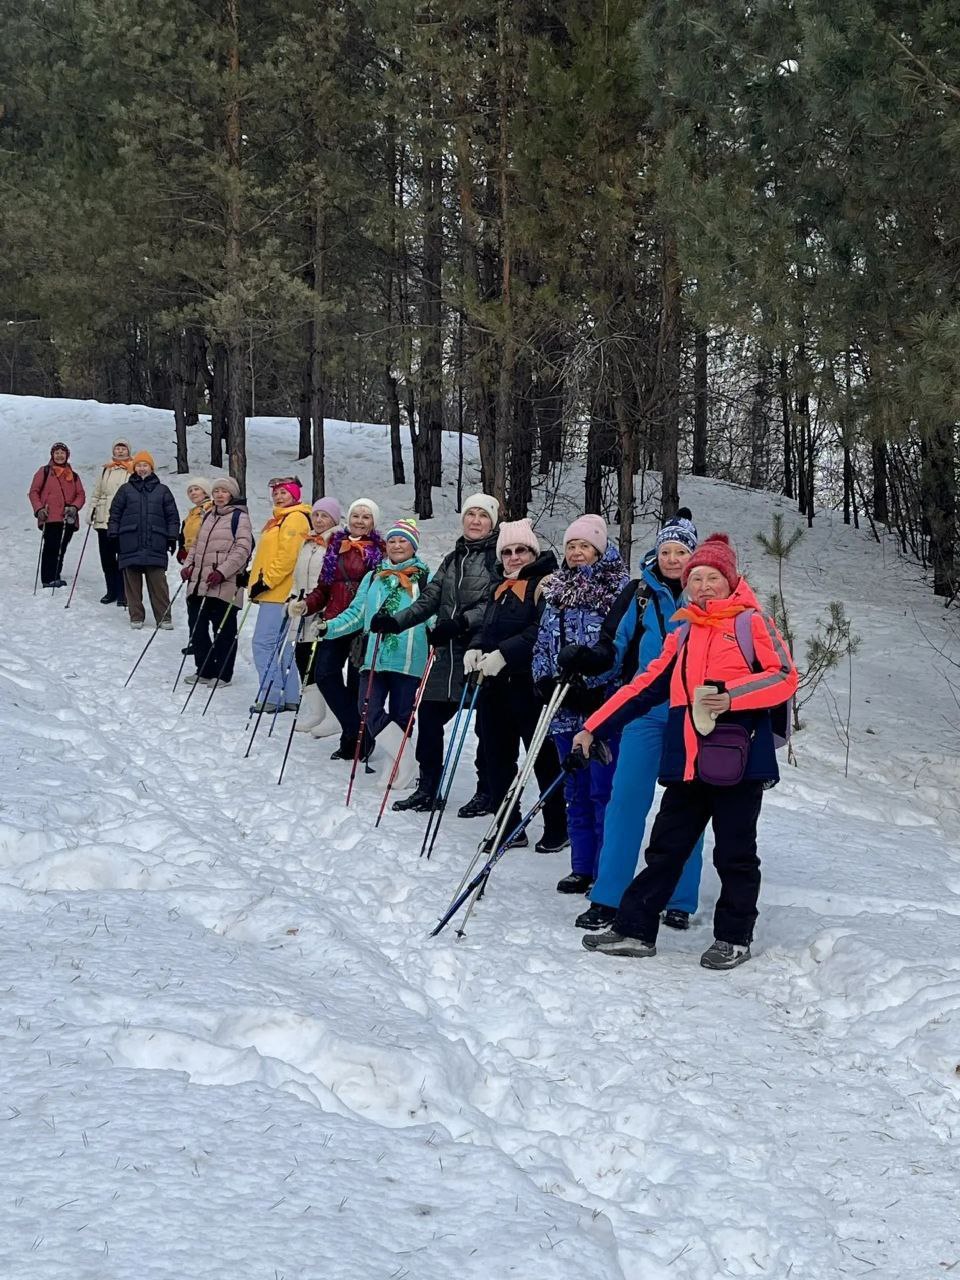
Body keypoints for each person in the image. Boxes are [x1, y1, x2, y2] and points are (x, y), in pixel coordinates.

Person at [577, 533, 798, 970]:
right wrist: (593, 727)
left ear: (730, 580)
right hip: (688, 761)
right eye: (696, 577)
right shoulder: (683, 633)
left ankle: (734, 937)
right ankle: (636, 929)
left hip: (739, 760)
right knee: (666, 846)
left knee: (734, 852)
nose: (702, 585)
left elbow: (784, 676)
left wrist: (731, 696)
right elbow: (643, 687)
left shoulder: (752, 622)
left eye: (712, 577)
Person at [566, 510, 705, 931]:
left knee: (687, 808)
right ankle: (608, 896)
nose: (673, 558)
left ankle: (679, 898)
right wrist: (590, 661)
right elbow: (613, 644)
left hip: (693, 716)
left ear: (693, 555)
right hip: (643, 712)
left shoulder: (706, 594)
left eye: (681, 551)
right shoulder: (638, 594)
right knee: (625, 802)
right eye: (666, 550)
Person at [371, 493, 500, 814]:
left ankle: (487, 791)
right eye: (470, 514)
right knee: (428, 720)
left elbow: (493, 603)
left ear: (492, 522)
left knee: (486, 727)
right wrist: (394, 622)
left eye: (482, 516)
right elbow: (429, 598)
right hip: (446, 656)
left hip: (478, 654)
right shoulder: (453, 558)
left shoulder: (497, 557)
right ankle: (429, 788)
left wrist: (461, 623)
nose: (475, 521)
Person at [532, 515, 629, 893]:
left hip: (599, 706)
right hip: (561, 704)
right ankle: (582, 866)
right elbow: (542, 643)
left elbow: (619, 650)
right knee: (573, 788)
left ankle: (606, 870)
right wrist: (542, 679)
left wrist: (592, 685)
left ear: (599, 550)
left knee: (600, 789)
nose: (576, 552)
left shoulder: (617, 590)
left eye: (584, 546)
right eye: (571, 546)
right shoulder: (555, 590)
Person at [464, 518, 568, 852]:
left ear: (532, 552)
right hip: (495, 686)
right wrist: (476, 646)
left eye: (520, 550)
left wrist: (504, 654)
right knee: (496, 756)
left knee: (542, 757)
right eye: (507, 551)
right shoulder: (499, 586)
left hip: (530, 685)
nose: (513, 557)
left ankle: (557, 825)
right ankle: (507, 824)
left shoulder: (545, 584)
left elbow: (541, 630)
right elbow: (487, 625)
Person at [292, 517, 430, 759]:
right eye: (393, 541)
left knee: (401, 715)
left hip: (408, 659)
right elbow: (357, 613)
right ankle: (402, 758)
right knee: (369, 710)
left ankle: (397, 763)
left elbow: (433, 614)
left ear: (413, 547)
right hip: (375, 656)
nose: (397, 546)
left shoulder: (426, 578)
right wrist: (329, 627)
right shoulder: (374, 576)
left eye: (403, 541)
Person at [294, 498, 387, 759]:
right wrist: (307, 605)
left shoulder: (380, 551)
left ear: (373, 522)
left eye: (366, 517)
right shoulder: (336, 545)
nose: (359, 521)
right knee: (324, 674)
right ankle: (357, 730)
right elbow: (324, 587)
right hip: (334, 621)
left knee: (357, 685)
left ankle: (353, 743)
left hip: (362, 625)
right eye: (355, 515)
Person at [246, 477, 312, 713]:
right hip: (276, 591)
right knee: (281, 646)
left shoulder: (294, 518)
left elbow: (287, 557)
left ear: (295, 495)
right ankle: (290, 695)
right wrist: (253, 577)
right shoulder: (280, 519)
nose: (279, 496)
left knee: (263, 644)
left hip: (278, 592)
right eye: (276, 492)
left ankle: (271, 695)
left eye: (284, 492)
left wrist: (266, 581)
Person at [180, 477, 254, 686]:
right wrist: (188, 566)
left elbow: (242, 549)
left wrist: (223, 572)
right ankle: (203, 669)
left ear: (232, 495)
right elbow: (197, 546)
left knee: (223, 629)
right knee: (197, 625)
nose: (220, 495)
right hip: (199, 582)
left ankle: (222, 672)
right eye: (217, 491)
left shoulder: (240, 517)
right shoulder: (208, 515)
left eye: (224, 491)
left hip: (224, 583)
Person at [288, 497, 342, 736]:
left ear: (334, 519)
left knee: (319, 661)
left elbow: (333, 581)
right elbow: (297, 575)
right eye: (317, 515)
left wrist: (325, 607)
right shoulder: (308, 541)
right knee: (302, 658)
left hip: (322, 611)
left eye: (325, 516)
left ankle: (332, 713)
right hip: (303, 608)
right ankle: (315, 711)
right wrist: (291, 599)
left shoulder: (336, 543)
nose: (319, 520)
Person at [107, 451, 180, 630]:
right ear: (134, 468)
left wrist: (172, 536)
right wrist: (113, 535)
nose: (141, 468)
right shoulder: (125, 490)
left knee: (158, 584)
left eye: (145, 465)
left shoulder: (163, 490)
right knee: (132, 584)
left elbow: (172, 516)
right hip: (129, 541)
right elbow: (115, 514)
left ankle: (164, 617)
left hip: (155, 542)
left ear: (151, 468)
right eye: (138, 465)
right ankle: (136, 616)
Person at [29, 442, 86, 589]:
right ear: (52, 455)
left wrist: (74, 507)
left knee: (62, 546)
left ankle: (55, 574)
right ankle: (48, 578)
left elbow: (81, 494)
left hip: (68, 517)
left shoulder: (73, 475)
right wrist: (39, 509)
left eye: (62, 452)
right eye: (57, 453)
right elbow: (34, 492)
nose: (60, 455)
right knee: (51, 546)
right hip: (50, 516)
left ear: (67, 455)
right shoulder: (44, 471)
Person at [88, 438, 133, 604]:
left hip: (123, 521)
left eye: (123, 449)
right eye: (117, 449)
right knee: (107, 558)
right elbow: (97, 492)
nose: (120, 451)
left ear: (128, 451)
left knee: (122, 557)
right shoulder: (105, 470)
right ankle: (111, 590)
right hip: (103, 519)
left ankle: (124, 593)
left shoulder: (132, 470)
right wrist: (92, 510)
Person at [177, 477, 213, 562]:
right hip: (191, 560)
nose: (193, 493)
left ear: (205, 492)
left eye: (196, 489)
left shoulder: (213, 510)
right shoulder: (190, 516)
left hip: (208, 559)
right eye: (190, 491)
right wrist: (181, 553)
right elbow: (183, 538)